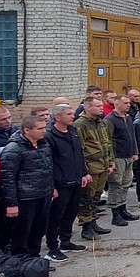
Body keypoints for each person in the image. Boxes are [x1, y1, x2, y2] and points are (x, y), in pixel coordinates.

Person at [0, 115, 54, 257]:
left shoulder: (43, 144)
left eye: (44, 128)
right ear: (27, 130)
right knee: (22, 233)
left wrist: (51, 187)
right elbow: (8, 178)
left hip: (43, 194)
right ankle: (20, 263)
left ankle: (34, 262)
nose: (44, 131)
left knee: (38, 230)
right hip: (25, 199)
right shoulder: (13, 149)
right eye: (40, 128)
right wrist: (11, 203)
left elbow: (47, 168)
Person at [44, 103, 89, 260]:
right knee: (56, 215)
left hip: (75, 179)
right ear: (58, 117)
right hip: (60, 182)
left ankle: (66, 240)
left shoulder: (73, 131)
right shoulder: (49, 135)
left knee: (71, 213)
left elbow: (79, 153)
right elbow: (48, 162)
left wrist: (84, 172)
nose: (73, 116)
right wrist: (52, 185)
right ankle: (52, 246)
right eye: (69, 114)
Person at [74, 96, 114, 241]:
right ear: (88, 107)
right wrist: (84, 171)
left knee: (96, 197)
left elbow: (107, 143)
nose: (101, 108)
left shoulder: (100, 123)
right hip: (91, 167)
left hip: (102, 166)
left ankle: (94, 222)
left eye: (101, 106)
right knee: (87, 198)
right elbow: (80, 149)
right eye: (97, 106)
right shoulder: (80, 124)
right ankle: (86, 226)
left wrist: (110, 162)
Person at [105, 95, 139, 226]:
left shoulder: (128, 117)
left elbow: (132, 136)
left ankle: (123, 209)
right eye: (125, 103)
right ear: (117, 104)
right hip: (117, 157)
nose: (128, 105)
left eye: (129, 103)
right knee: (116, 184)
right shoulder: (110, 120)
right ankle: (115, 213)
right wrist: (111, 159)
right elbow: (107, 141)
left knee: (126, 182)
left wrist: (135, 152)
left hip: (129, 155)